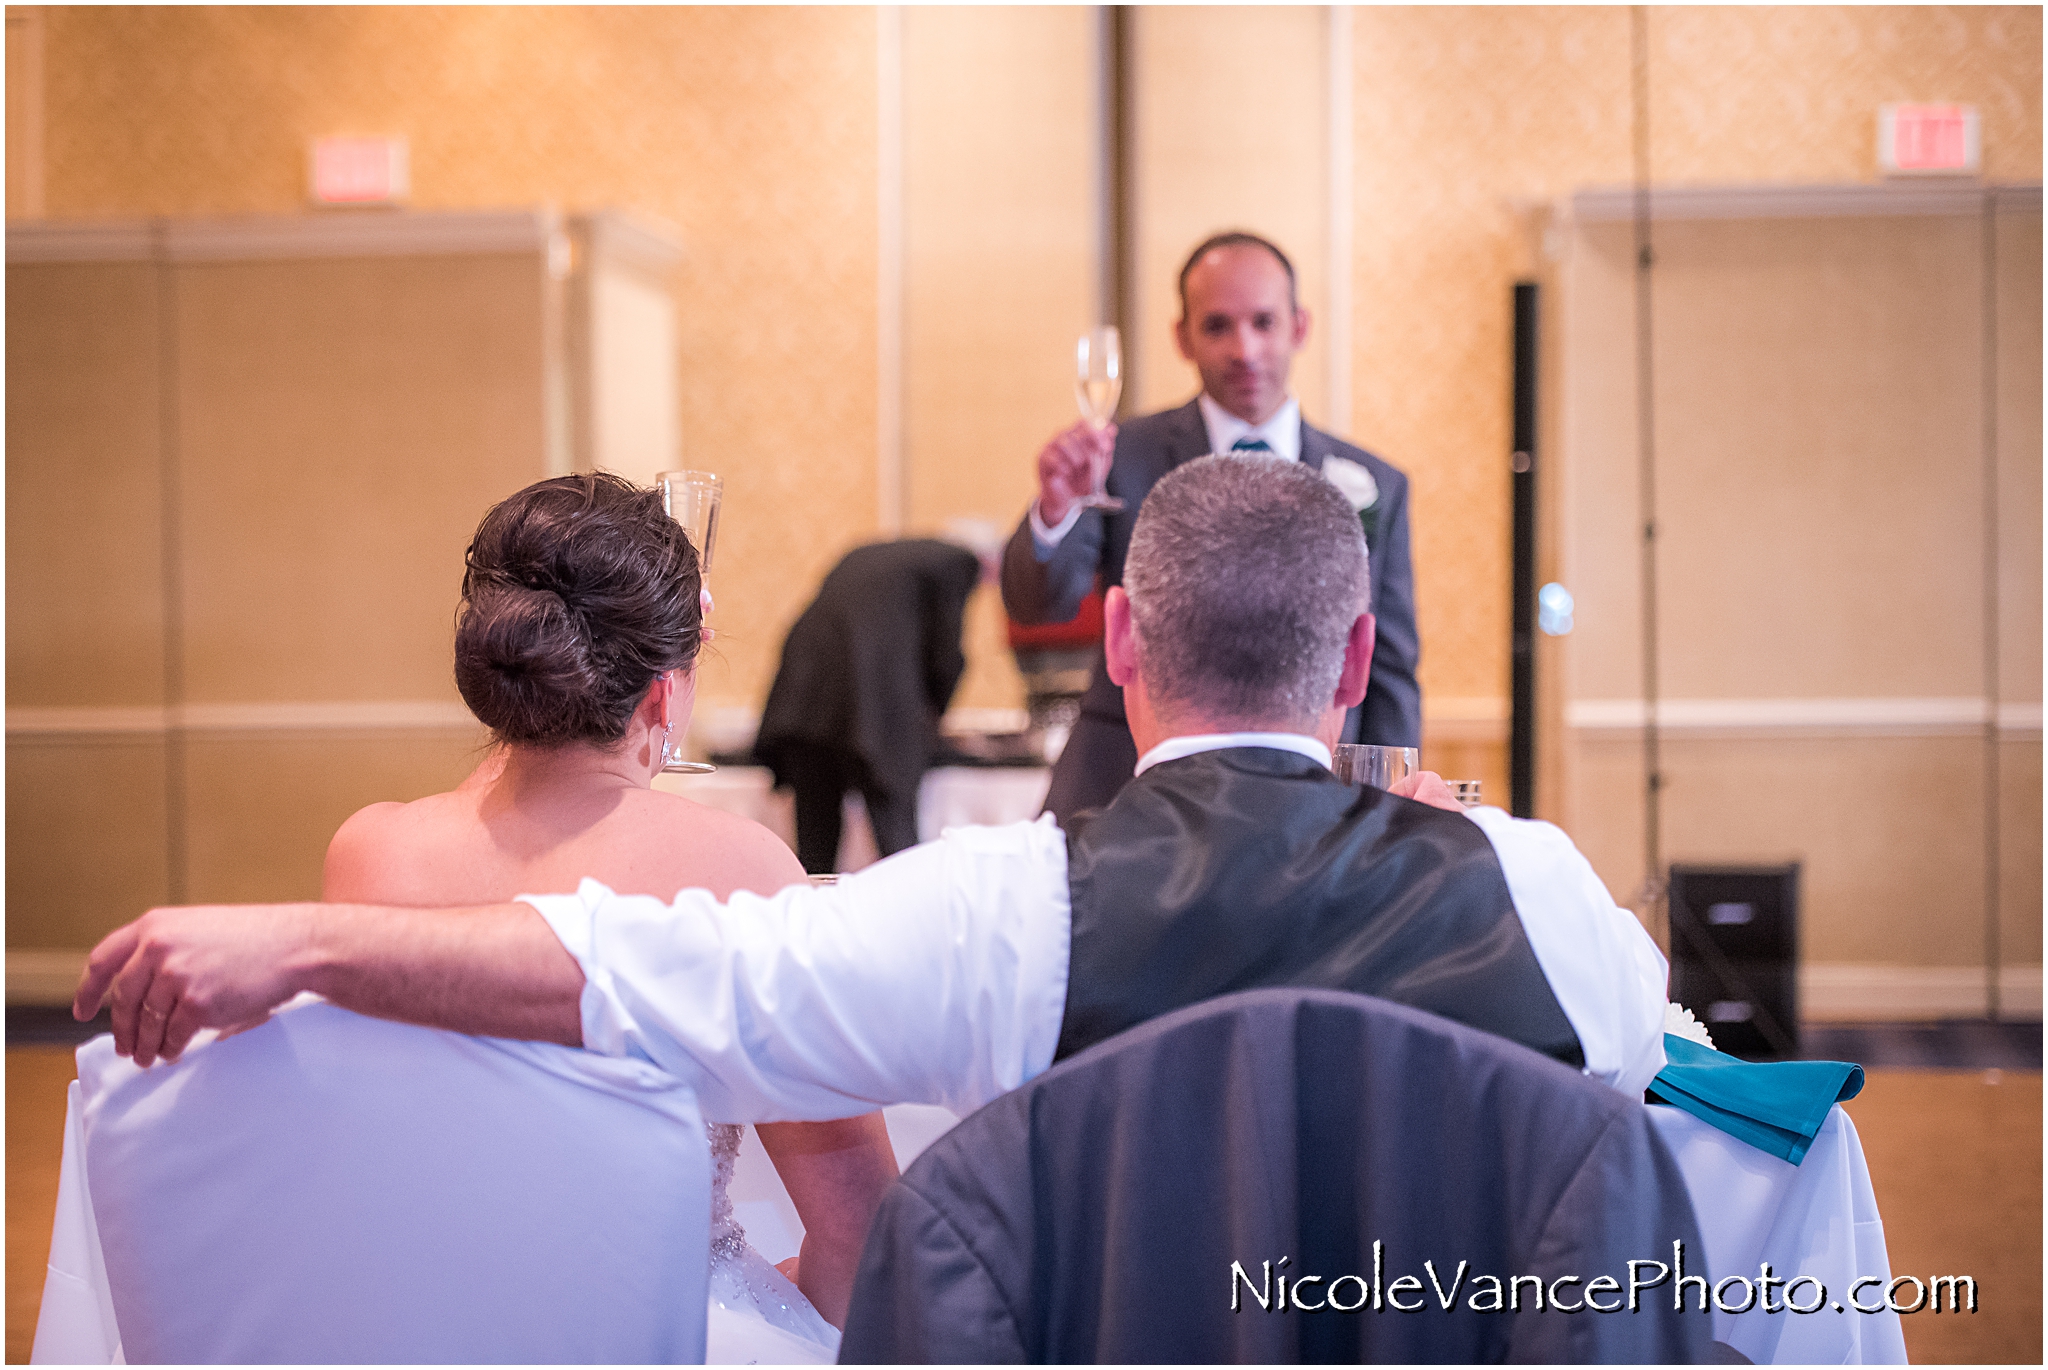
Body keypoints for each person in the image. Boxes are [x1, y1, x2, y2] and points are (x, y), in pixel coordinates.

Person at [77, 457, 1666, 1136]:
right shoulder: (1551, 897)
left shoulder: (1010, 903)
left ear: (1116, 638)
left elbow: (645, 971)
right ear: (1362, 655)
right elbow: (1717, 1152)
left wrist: (300, 938)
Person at [318, 473, 895, 1362]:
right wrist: (762, 1311)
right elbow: (865, 1252)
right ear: (665, 695)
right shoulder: (740, 875)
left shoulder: (371, 853)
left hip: (419, 1334)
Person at [1005, 231, 1421, 824]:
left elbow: (1389, 669)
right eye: (1218, 326)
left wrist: (1391, 816)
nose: (1244, 349)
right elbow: (1037, 604)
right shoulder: (1122, 459)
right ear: (1183, 337)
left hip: (1314, 797)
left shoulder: (1376, 483)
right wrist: (1057, 511)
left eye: (1263, 322)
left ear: (1299, 327)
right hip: (1123, 792)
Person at [753, 538, 983, 874]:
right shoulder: (961, 561)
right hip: (873, 708)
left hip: (805, 695)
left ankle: (816, 924)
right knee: (899, 854)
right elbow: (946, 656)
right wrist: (933, 718)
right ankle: (906, 922)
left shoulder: (878, 554)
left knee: (816, 856)